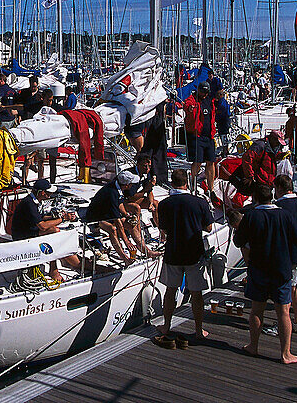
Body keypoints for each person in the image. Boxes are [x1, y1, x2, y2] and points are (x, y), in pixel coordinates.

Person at [233, 183, 297, 365]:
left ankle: (253, 345)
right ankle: (286, 353)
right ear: (272, 196)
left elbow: (238, 241)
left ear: (256, 198)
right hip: (281, 269)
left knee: (256, 310)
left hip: (258, 268)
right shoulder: (285, 215)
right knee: (283, 312)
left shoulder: (251, 216)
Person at [154, 169, 214, 345]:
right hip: (194, 253)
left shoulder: (164, 204)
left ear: (172, 183)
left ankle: (166, 325)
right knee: (197, 294)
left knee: (170, 291)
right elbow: (209, 228)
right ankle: (198, 330)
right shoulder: (199, 202)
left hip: (173, 252)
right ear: (187, 182)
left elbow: (163, 229)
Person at [11, 179, 81, 282]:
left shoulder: (35, 201)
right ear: (41, 192)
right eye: (48, 193)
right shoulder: (29, 203)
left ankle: (68, 260)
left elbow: (40, 217)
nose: (49, 195)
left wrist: (57, 216)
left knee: (54, 230)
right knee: (54, 231)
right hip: (22, 235)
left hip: (30, 230)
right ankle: (54, 269)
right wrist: (63, 219)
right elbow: (42, 226)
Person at [266, 175, 297, 335]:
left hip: (282, 252)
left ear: (279, 188)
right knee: (296, 287)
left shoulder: (279, 206)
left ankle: (281, 324)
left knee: (282, 292)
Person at [85, 171, 158, 262]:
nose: (132, 186)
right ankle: (125, 258)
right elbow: (117, 221)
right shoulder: (112, 193)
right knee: (113, 229)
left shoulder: (117, 185)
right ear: (127, 185)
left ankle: (146, 251)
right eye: (131, 184)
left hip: (107, 212)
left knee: (131, 225)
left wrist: (127, 215)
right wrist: (126, 241)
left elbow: (120, 204)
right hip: (96, 217)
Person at [185, 82, 219, 190]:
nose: (204, 95)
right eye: (202, 92)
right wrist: (190, 108)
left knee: (211, 162)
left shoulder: (210, 100)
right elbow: (187, 105)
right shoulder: (193, 99)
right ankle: (192, 182)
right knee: (198, 161)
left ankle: (211, 187)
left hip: (209, 136)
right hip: (197, 136)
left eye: (206, 92)